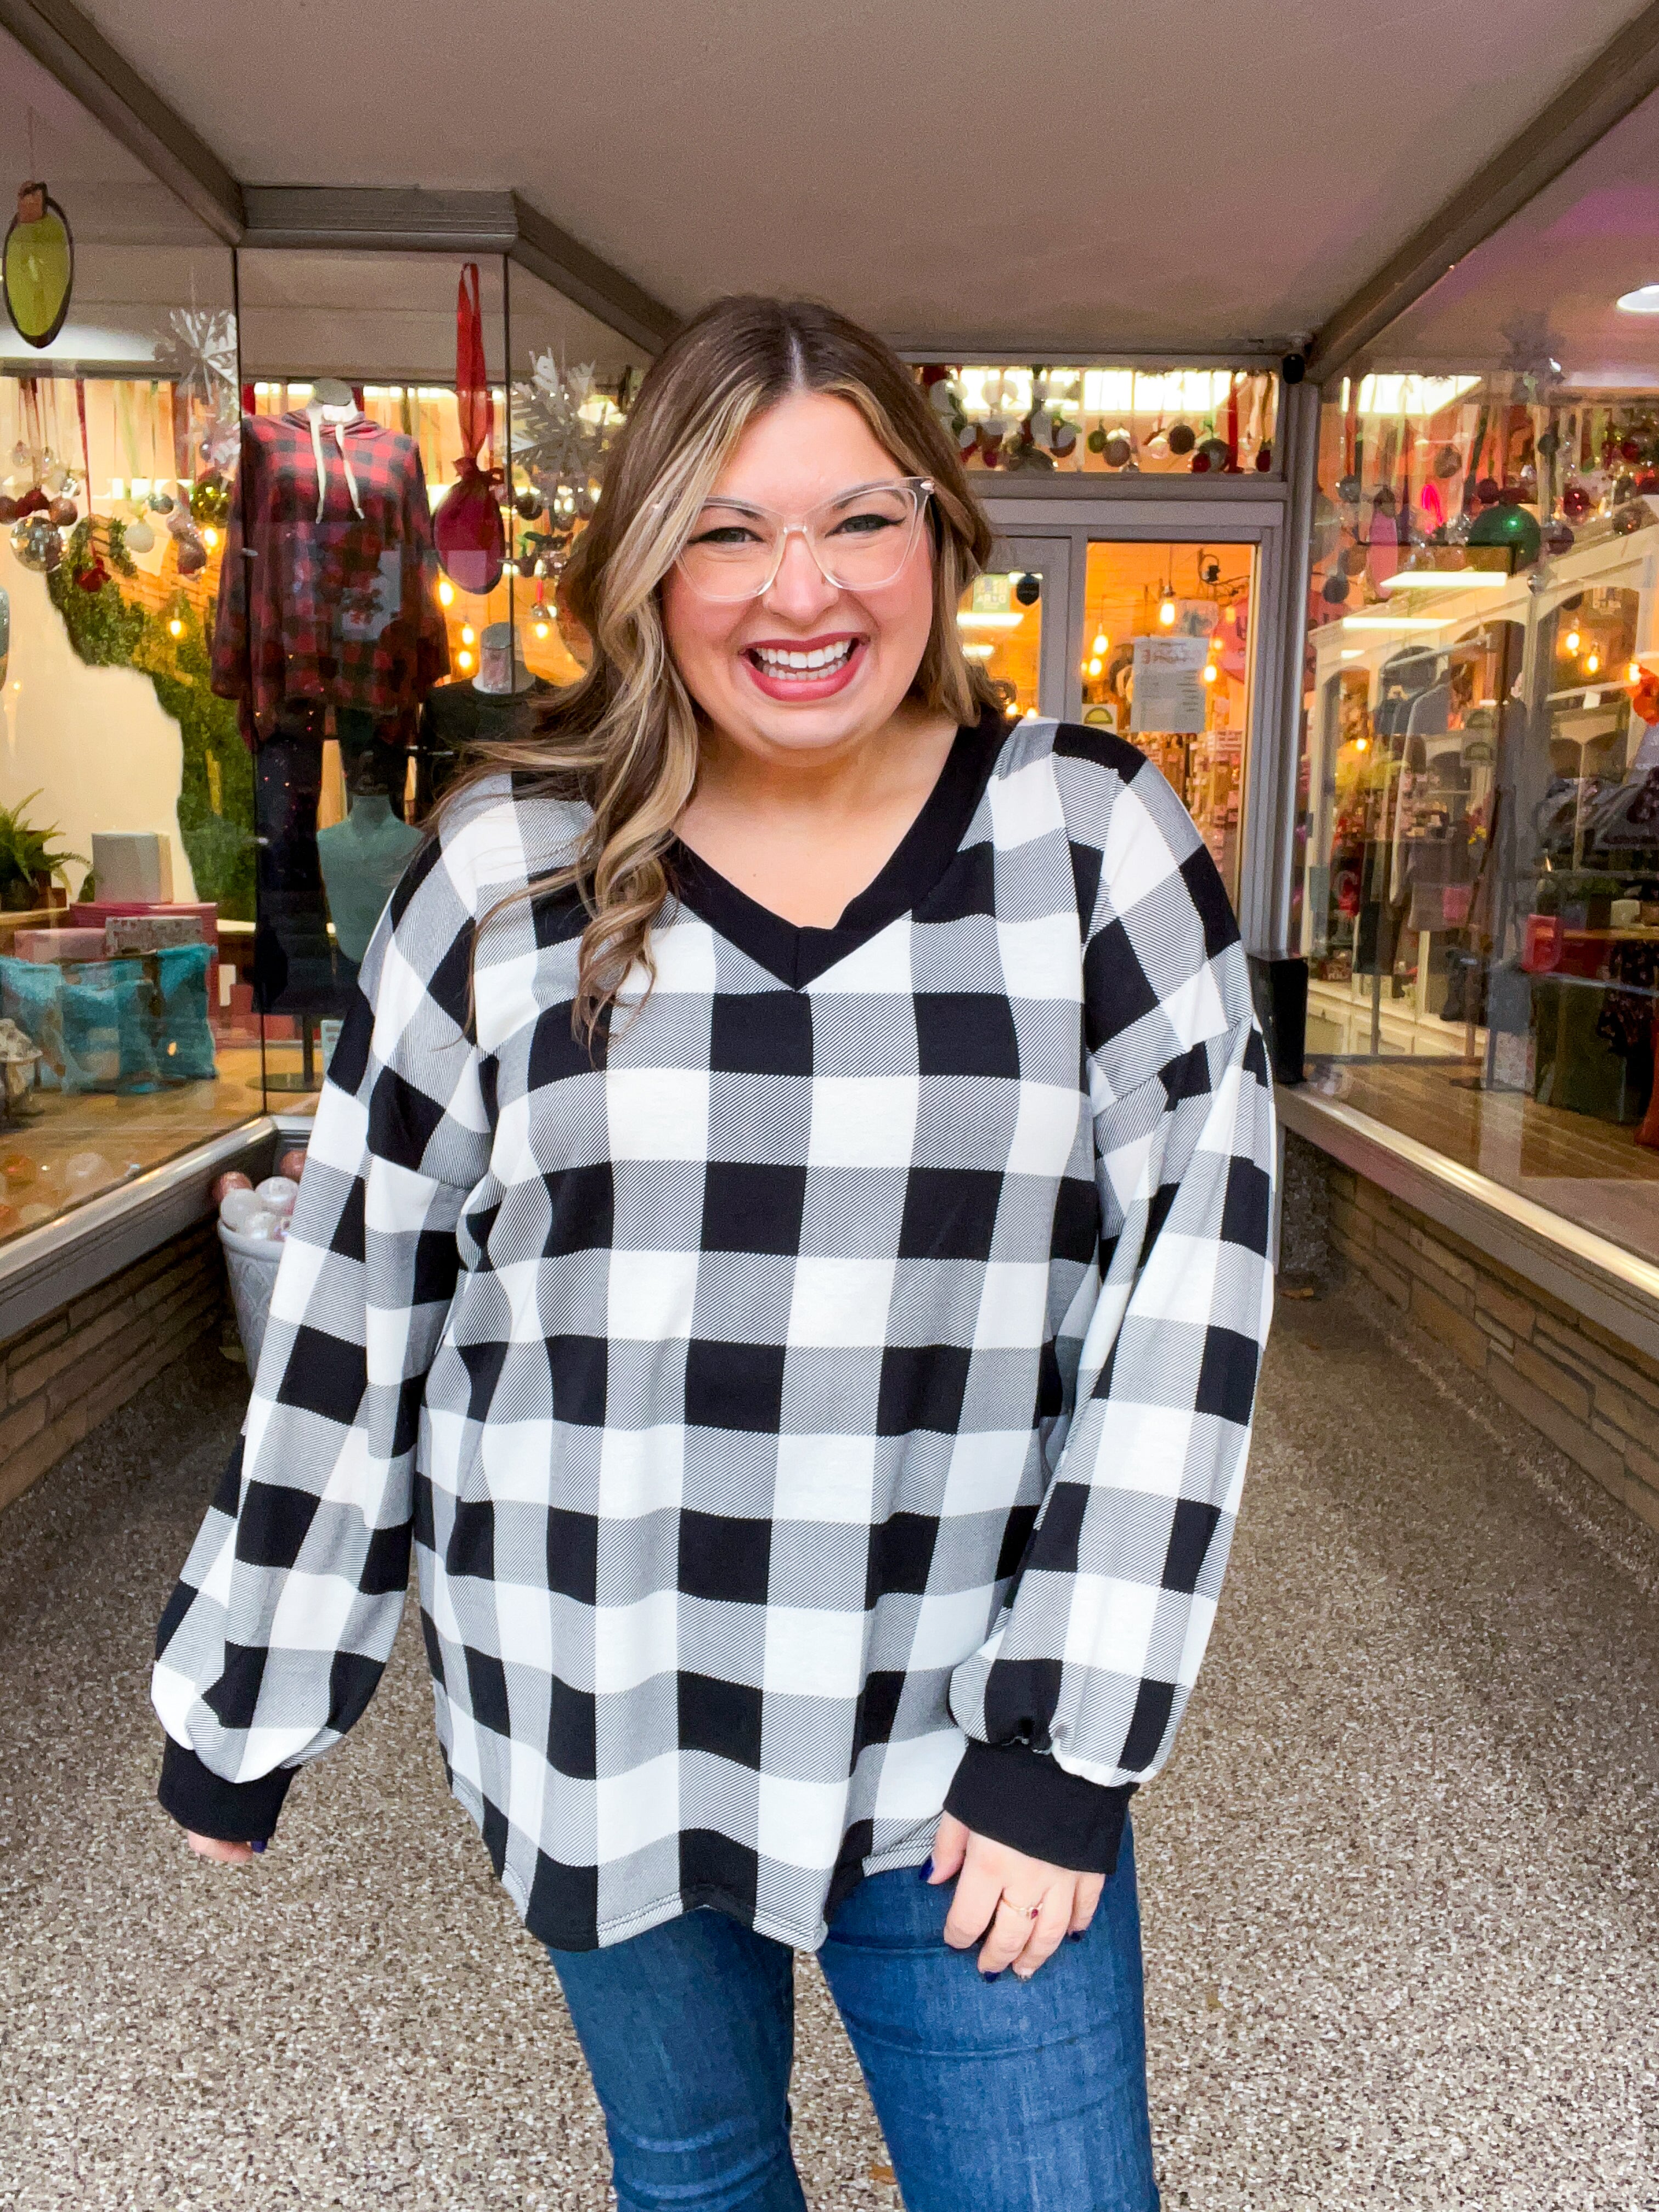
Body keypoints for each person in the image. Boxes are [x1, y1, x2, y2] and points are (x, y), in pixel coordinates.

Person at [153, 296, 1277, 2212]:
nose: (799, 592)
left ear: (941, 536)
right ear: (647, 574)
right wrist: (247, 1701)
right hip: (605, 1706)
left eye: (858, 519)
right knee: (696, 2177)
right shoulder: (510, 875)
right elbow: (364, 1302)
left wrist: (1068, 1746)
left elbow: (1191, 1295)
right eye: (728, 533)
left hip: (958, 1736)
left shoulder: (1090, 846)